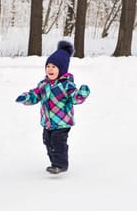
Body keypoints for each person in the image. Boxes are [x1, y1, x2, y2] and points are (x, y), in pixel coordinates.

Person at [15, 40, 90, 174]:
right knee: (47, 141)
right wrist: (26, 98)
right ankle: (54, 163)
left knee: (58, 141)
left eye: (54, 67)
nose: (50, 69)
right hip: (48, 122)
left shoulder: (66, 85)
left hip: (62, 122)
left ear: (61, 69)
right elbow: (35, 95)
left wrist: (81, 94)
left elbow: (74, 97)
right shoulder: (43, 84)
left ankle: (60, 164)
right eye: (48, 66)